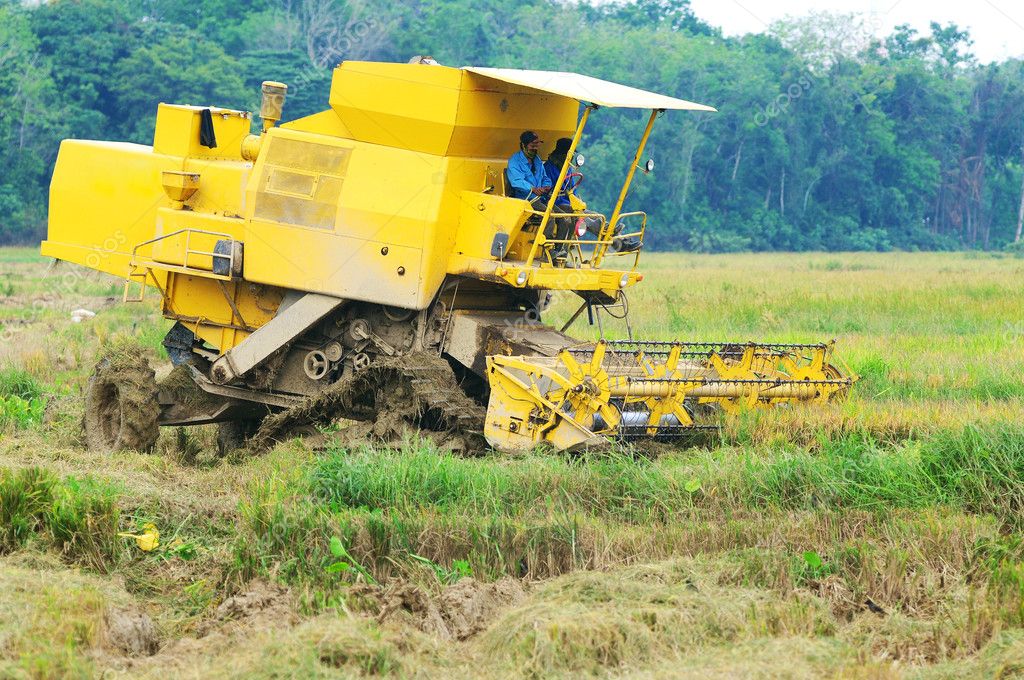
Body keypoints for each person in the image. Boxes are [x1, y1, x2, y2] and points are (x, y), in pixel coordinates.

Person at [508, 131, 572, 258]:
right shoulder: (515, 161)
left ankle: (558, 251)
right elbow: (516, 181)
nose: (536, 148)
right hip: (526, 200)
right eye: (533, 145)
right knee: (550, 216)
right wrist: (533, 189)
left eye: (538, 144)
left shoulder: (536, 160)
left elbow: (545, 177)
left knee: (566, 218)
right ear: (523, 145)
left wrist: (546, 186)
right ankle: (546, 250)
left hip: (541, 198)